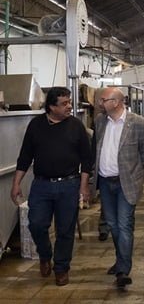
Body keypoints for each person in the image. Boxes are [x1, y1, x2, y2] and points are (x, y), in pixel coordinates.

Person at [11, 86, 93, 286]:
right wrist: (16, 184)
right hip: (42, 185)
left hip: (69, 185)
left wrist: (84, 186)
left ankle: (61, 268)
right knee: (36, 224)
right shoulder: (36, 126)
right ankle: (45, 255)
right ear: (51, 107)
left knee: (65, 230)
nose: (69, 107)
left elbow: (86, 159)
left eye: (69, 102)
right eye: (64, 104)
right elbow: (24, 157)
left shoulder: (76, 126)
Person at [94, 87, 144, 289]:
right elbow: (97, 147)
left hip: (126, 182)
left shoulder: (138, 123)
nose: (100, 103)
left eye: (104, 99)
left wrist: (133, 173)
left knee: (124, 224)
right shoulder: (100, 121)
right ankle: (121, 260)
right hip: (105, 181)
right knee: (112, 224)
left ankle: (123, 270)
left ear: (116, 102)